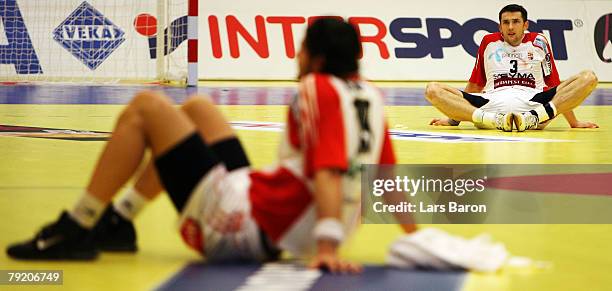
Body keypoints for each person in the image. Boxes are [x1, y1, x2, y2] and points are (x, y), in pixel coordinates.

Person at [7, 18, 414, 274]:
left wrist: (326, 246)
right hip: (282, 215)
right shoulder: (369, 96)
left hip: (252, 228)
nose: (297, 54)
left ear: (318, 58)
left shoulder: (315, 88)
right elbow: (386, 178)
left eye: (303, 48)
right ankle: (120, 222)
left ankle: (77, 228)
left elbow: (329, 170)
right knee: (198, 108)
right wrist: (414, 239)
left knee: (146, 108)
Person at [425, 4, 599, 132]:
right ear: (499, 26)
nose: (510, 27)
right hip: (491, 104)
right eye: (505, 22)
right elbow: (476, 85)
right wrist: (453, 119)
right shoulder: (488, 42)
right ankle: (494, 120)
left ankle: (532, 118)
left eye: (516, 21)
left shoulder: (539, 42)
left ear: (525, 25)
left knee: (588, 78)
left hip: (534, 103)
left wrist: (573, 122)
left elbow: (555, 85)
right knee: (433, 89)